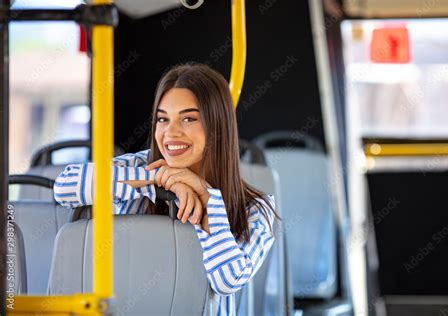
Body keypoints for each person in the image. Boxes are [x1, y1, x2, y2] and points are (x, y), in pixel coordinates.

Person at [53, 63, 279, 315]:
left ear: (217, 126)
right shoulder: (140, 166)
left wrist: (208, 200)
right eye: (163, 119)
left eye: (188, 118)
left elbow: (227, 280)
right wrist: (157, 180)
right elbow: (64, 187)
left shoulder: (255, 209)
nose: (171, 132)